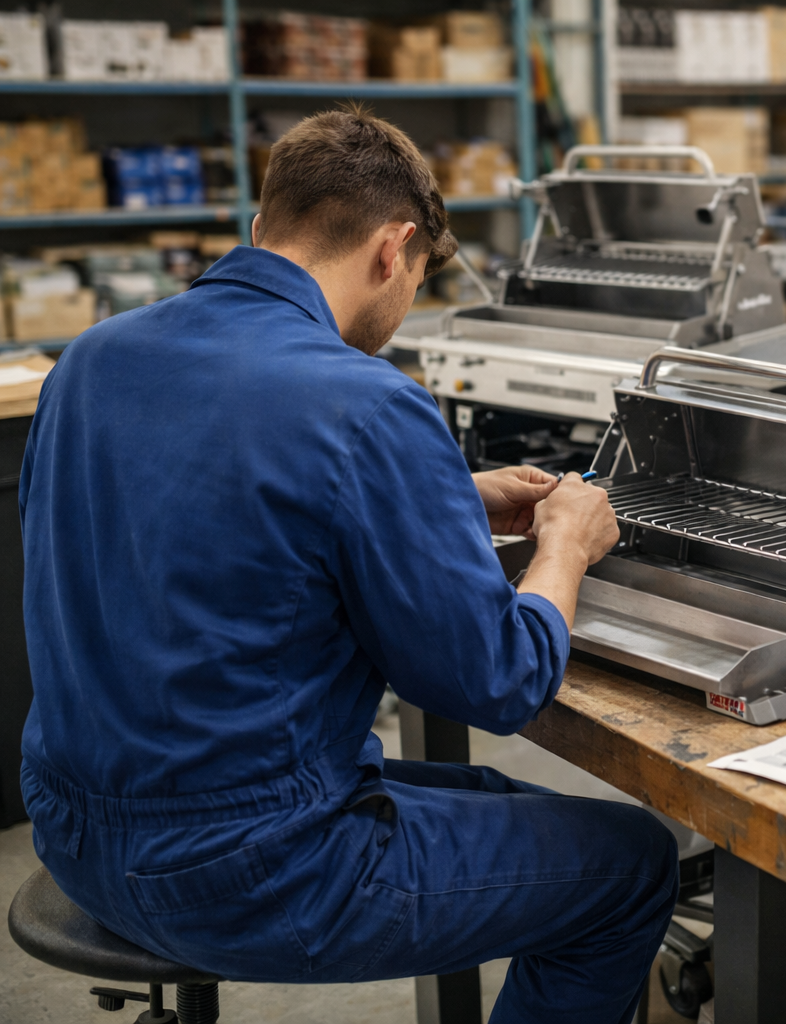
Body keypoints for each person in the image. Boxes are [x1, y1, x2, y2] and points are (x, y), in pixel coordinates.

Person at [18, 108, 678, 1024]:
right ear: (392, 247)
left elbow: (207, 516)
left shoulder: (86, 362)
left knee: (493, 803)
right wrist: (564, 546)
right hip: (245, 870)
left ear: (262, 230)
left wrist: (436, 492)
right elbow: (496, 684)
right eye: (416, 276)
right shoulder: (368, 403)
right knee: (632, 863)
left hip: (75, 829)